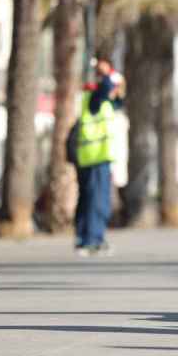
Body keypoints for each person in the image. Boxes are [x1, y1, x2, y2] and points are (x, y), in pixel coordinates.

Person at [74, 55, 124, 257]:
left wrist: (116, 87)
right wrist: (108, 75)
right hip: (95, 157)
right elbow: (105, 90)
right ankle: (91, 240)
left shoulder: (102, 100)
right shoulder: (94, 96)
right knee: (97, 201)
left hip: (97, 158)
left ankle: (92, 238)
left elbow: (118, 101)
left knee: (93, 200)